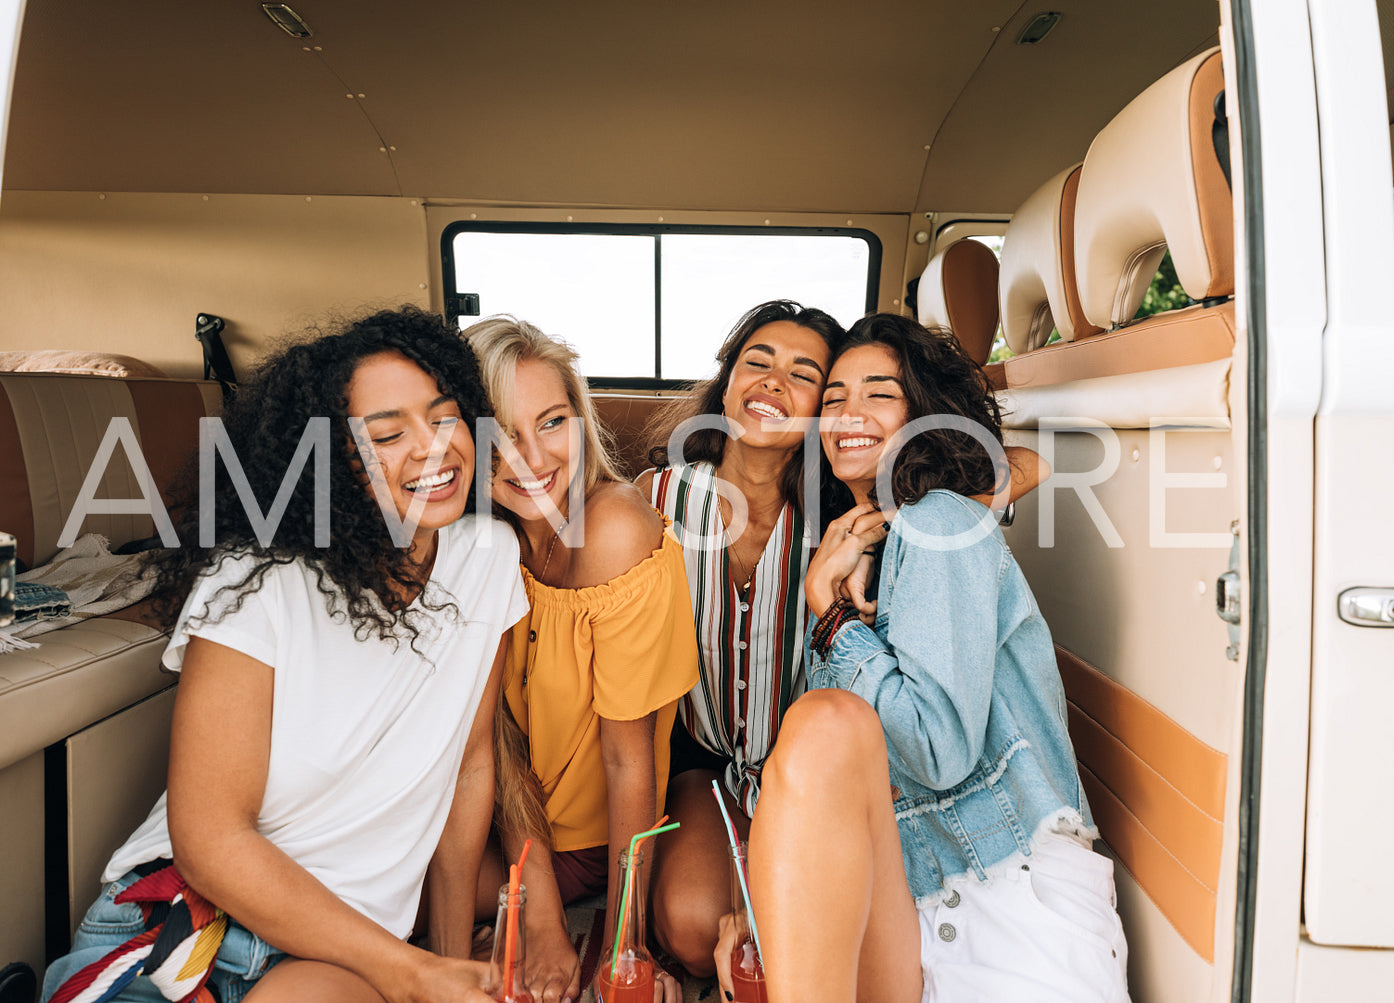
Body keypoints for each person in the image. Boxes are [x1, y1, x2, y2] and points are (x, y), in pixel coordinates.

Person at [40, 307, 527, 1003]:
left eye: (445, 416)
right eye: (387, 434)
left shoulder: (488, 558)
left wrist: (445, 964)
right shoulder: (256, 581)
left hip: (342, 956)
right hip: (189, 923)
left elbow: (467, 766)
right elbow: (209, 838)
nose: (433, 447)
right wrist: (413, 972)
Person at [640, 301, 1048, 977]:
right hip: (709, 763)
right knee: (689, 929)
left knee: (781, 946)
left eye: (803, 375)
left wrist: (899, 514)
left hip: (817, 774)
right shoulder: (655, 498)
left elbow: (1027, 464)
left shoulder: (851, 503)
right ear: (726, 385)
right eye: (757, 362)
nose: (772, 382)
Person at [734, 313, 1129, 1002]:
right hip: (912, 897)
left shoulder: (939, 520)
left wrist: (828, 619)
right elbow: (834, 782)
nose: (846, 413)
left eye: (877, 393)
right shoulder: (853, 546)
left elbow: (936, 749)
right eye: (831, 399)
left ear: (921, 414)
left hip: (1006, 892)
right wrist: (770, 901)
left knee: (826, 719)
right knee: (824, 726)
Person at [465, 316, 698, 1003]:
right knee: (363, 882)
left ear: (581, 420)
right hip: (510, 820)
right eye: (500, 433)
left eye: (551, 421)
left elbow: (631, 761)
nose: (530, 457)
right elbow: (496, 743)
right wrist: (535, 916)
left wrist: (623, 943)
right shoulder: (484, 540)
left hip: (595, 839)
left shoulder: (616, 529)